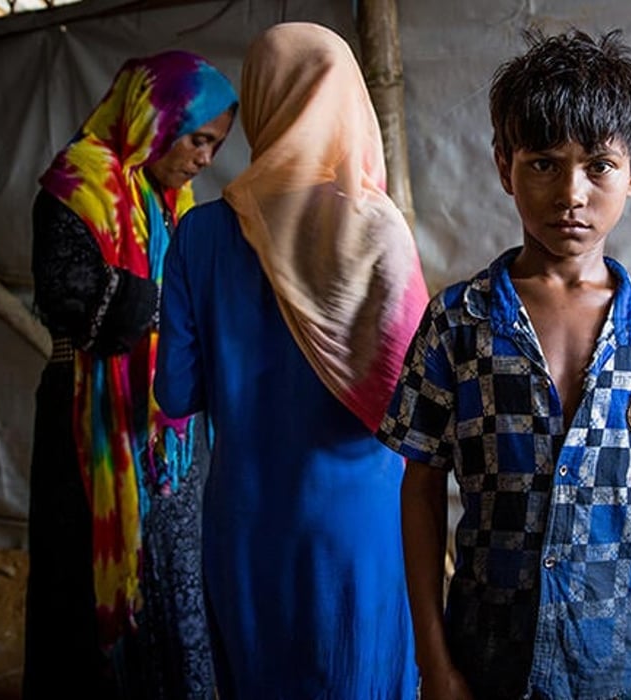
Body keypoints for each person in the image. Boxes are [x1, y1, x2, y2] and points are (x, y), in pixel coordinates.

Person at [376, 28, 631, 700]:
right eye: (543, 163)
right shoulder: (458, 323)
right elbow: (420, 489)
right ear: (503, 164)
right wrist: (434, 662)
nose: (572, 191)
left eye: (598, 165)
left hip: (620, 664)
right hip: (487, 657)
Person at [154, 22, 427, 699]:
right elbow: (414, 402)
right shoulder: (377, 231)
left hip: (244, 524)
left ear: (262, 102)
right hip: (357, 527)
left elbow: (176, 392)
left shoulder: (201, 233)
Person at [26, 51, 236, 699]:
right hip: (87, 428)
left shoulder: (174, 203)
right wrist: (175, 304)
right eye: (199, 139)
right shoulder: (76, 186)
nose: (205, 159)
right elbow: (74, 301)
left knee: (173, 581)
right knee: (83, 582)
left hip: (166, 429)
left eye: (215, 146)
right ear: (157, 117)